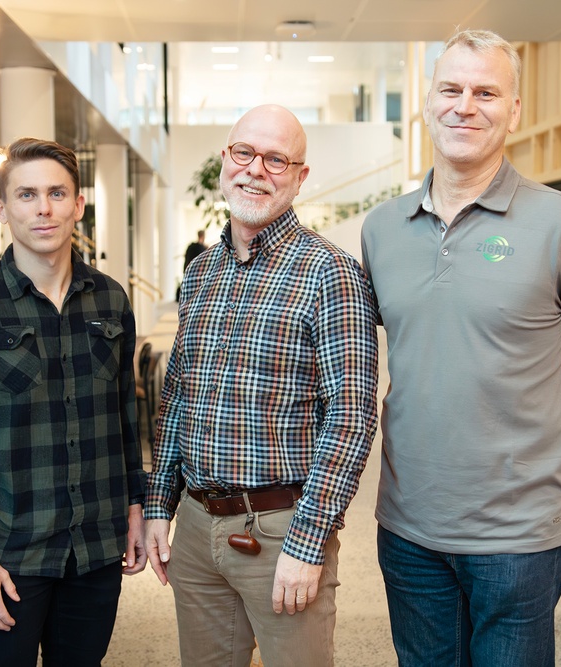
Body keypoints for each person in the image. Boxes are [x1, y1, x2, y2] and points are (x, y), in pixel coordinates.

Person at [361, 30, 561, 667]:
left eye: (487, 92)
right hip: (407, 524)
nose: (465, 105)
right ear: (427, 103)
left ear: (514, 112)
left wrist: (550, 436)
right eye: (450, 89)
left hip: (519, 535)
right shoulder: (381, 228)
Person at [144, 104, 379, 667]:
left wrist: (308, 541)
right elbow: (178, 398)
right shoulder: (201, 273)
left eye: (277, 159)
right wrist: (160, 505)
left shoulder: (332, 273)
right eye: (244, 153)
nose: (256, 170)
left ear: (300, 177)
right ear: (225, 161)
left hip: (281, 529)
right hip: (198, 527)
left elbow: (350, 418)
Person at [0, 137, 147, 667]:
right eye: (26, 195)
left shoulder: (110, 298)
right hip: (9, 552)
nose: (42, 208)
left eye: (56, 193)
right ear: (2, 209)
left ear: (78, 206)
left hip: (94, 548)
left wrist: (134, 508)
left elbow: (123, 420)